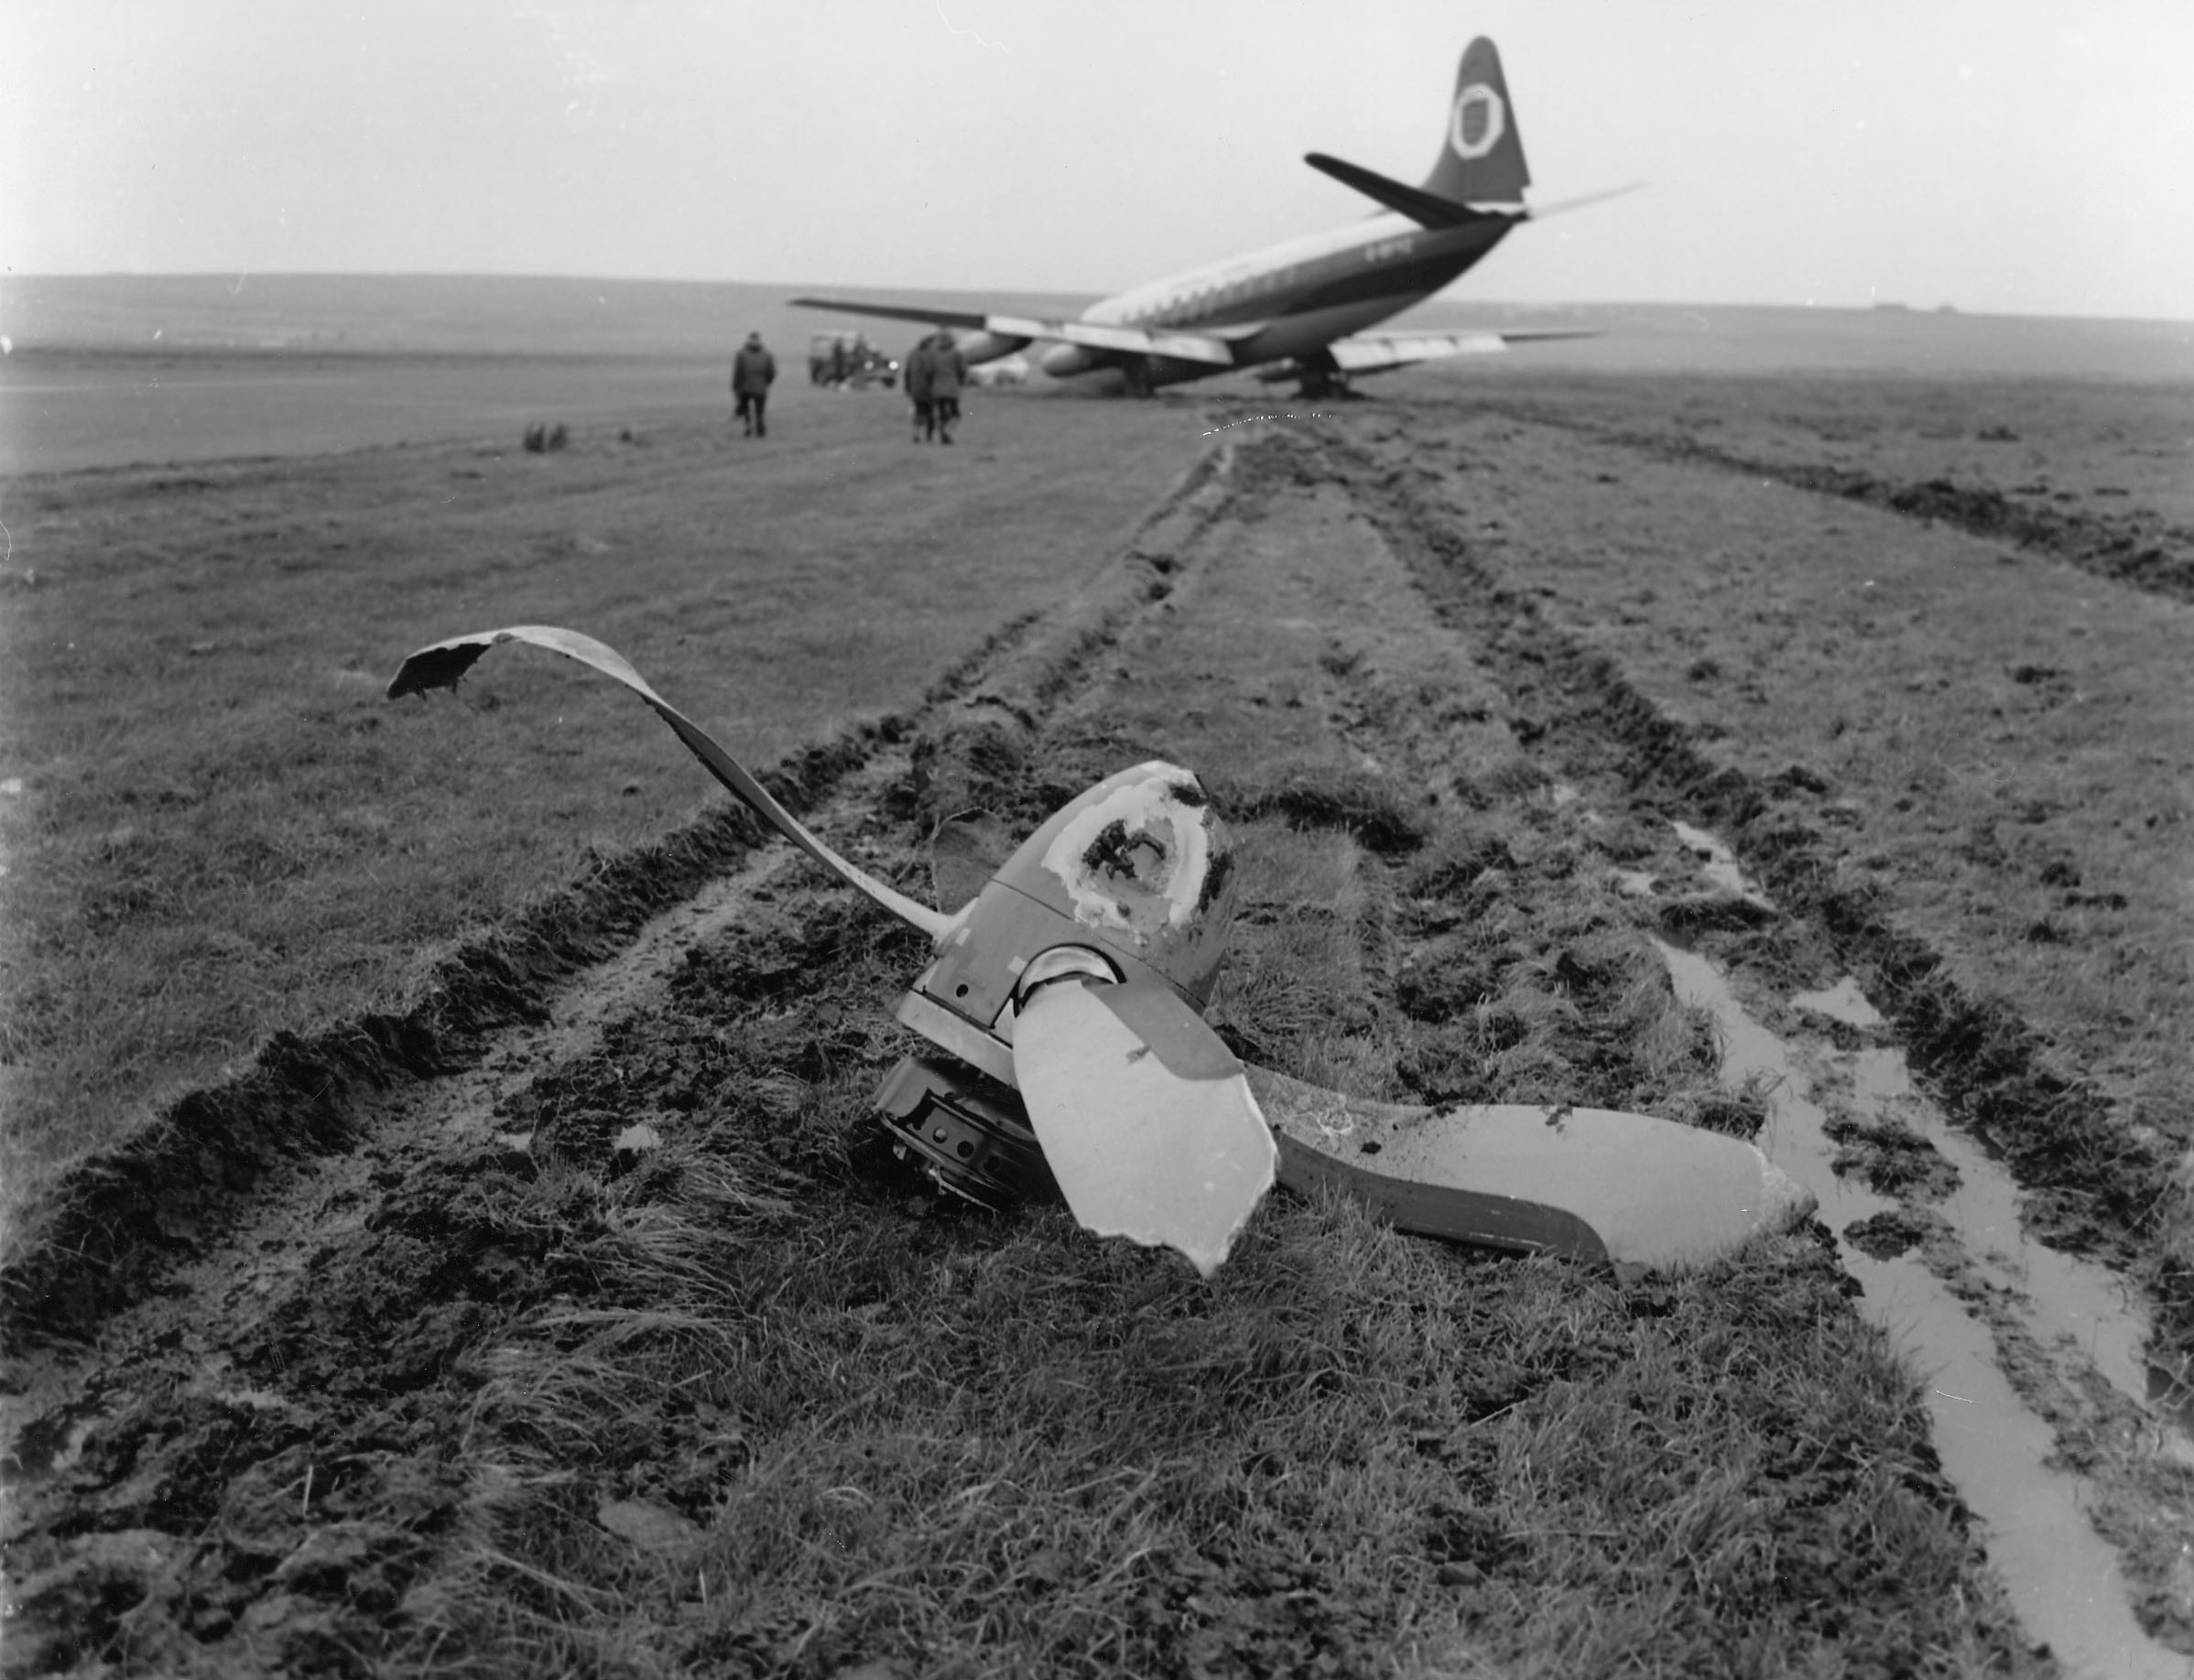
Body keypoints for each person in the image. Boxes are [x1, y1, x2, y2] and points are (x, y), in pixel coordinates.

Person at [925, 329, 969, 445]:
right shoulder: (956, 354)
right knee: (955, 414)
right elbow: (962, 370)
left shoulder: (934, 354)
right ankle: (946, 431)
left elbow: (929, 371)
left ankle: (943, 435)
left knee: (942, 413)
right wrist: (960, 382)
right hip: (952, 388)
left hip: (937, 389)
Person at [731, 331, 777, 438]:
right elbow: (771, 373)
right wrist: (766, 383)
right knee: (759, 412)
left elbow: (738, 372)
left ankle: (749, 429)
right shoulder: (767, 355)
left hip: (745, 388)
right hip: (760, 388)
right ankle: (760, 431)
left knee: (747, 411)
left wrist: (736, 387)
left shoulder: (741, 354)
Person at [902, 333, 936, 442]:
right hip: (927, 389)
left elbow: (907, 372)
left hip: (915, 388)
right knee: (929, 412)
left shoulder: (912, 354)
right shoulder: (930, 354)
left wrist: (907, 387)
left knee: (918, 412)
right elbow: (930, 371)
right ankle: (928, 436)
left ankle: (916, 434)